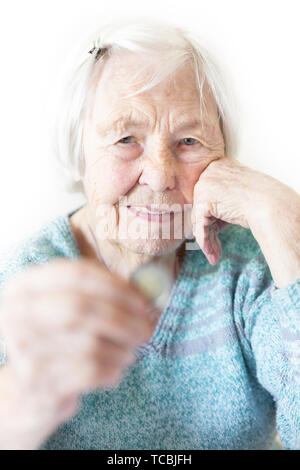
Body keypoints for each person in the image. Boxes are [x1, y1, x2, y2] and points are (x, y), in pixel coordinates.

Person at [0, 18, 299, 450]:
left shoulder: (251, 264)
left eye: (189, 141)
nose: (160, 176)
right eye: (126, 139)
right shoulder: (21, 283)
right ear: (77, 148)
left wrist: (284, 218)